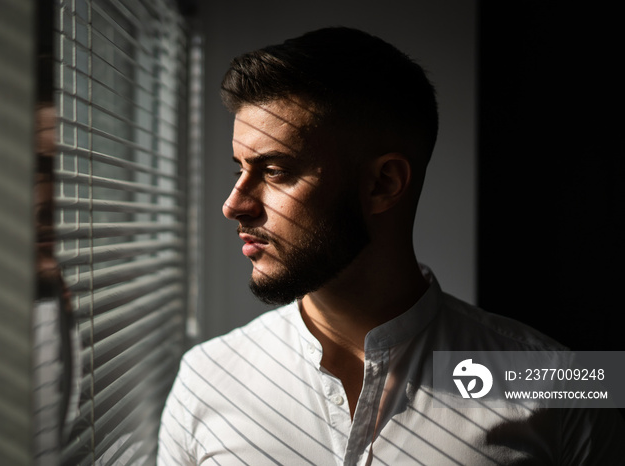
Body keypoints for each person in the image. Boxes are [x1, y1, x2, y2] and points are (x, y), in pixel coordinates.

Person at [158, 27, 624, 465]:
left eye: (275, 170)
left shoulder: (561, 380)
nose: (233, 204)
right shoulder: (205, 377)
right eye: (239, 168)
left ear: (383, 184)